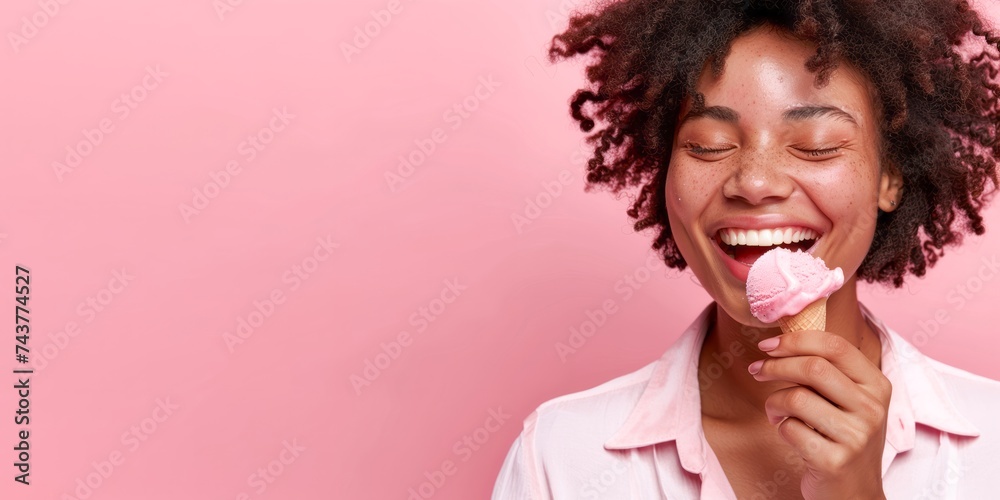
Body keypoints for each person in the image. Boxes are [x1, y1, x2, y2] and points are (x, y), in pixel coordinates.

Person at [492, 0, 1000, 498]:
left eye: (817, 144)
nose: (754, 183)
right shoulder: (560, 457)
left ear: (890, 177)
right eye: (708, 145)